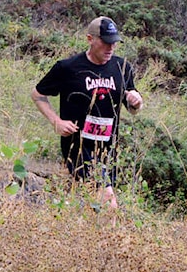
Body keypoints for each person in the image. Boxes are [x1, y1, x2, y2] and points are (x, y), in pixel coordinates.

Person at [31, 16, 144, 209]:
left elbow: (132, 107)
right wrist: (56, 121)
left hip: (109, 147)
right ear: (90, 39)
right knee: (108, 202)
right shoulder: (68, 68)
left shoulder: (122, 67)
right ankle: (111, 239)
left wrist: (136, 101)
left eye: (114, 43)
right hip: (78, 144)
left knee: (93, 202)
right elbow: (37, 94)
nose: (110, 48)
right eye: (105, 43)